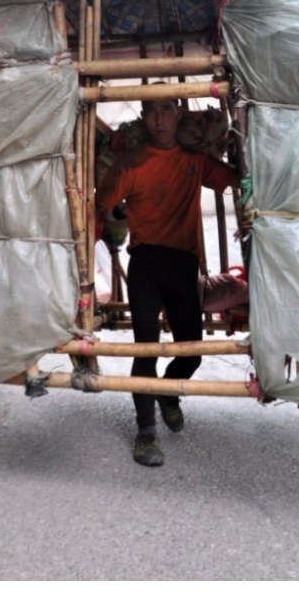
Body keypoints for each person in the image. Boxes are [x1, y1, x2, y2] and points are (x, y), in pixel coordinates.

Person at [96, 92, 230, 468]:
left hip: (183, 265)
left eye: (166, 111)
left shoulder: (195, 162)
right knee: (146, 349)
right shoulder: (129, 164)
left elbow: (236, 181)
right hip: (145, 265)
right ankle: (145, 432)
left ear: (177, 115)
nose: (159, 121)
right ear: (144, 117)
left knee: (193, 349)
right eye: (152, 113)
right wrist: (108, 224)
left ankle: (167, 395)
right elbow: (100, 207)